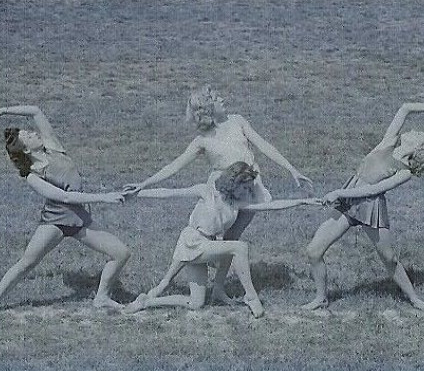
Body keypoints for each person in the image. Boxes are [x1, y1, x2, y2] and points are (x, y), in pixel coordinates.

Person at [131, 87, 313, 301]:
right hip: (224, 191)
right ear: (208, 108)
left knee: (233, 237)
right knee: (216, 234)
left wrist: (292, 169)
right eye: (217, 98)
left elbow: (264, 145)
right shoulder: (202, 140)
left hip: (248, 186)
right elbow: (175, 165)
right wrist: (145, 183)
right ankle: (178, 278)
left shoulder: (238, 121)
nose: (224, 98)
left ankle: (218, 288)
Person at [0, 105, 133, 320]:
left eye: (31, 131)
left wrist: (3, 111)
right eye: (28, 136)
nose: (34, 133)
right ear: (25, 149)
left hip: (80, 219)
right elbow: (66, 198)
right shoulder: (32, 176)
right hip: (55, 221)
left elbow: (35, 111)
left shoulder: (53, 147)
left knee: (121, 253)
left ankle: (102, 297)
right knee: (27, 263)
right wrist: (104, 197)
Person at [123, 162, 324, 318]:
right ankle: (251, 296)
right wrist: (139, 190)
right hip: (192, 242)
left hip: (205, 246)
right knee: (239, 247)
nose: (248, 192)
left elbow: (270, 207)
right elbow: (168, 193)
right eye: (245, 187)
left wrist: (302, 201)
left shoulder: (238, 204)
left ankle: (146, 302)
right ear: (234, 183)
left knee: (196, 303)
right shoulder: (206, 191)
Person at [300, 102, 424, 312]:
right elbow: (405, 108)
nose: (412, 130)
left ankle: (414, 299)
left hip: (371, 207)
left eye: (418, 134)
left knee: (389, 258)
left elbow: (372, 191)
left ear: (419, 147)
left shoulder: (405, 172)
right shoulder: (388, 141)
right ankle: (321, 297)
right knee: (314, 251)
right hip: (348, 200)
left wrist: (339, 193)